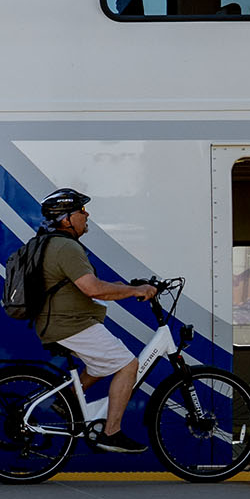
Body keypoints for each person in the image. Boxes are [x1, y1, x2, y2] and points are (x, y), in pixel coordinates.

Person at [26, 187, 161, 449]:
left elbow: (86, 285)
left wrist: (123, 286)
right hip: (70, 324)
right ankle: (111, 433)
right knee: (127, 365)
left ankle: (66, 400)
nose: (86, 216)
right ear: (66, 219)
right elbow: (92, 288)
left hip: (60, 322)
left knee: (103, 363)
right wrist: (135, 290)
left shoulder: (49, 243)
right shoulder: (65, 247)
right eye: (81, 211)